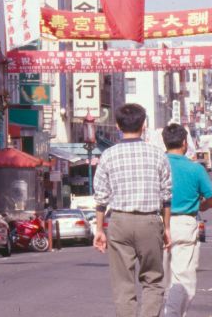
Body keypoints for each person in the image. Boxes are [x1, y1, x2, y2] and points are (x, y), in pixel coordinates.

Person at [93, 103, 173, 317]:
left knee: (123, 283)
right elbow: (166, 196)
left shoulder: (108, 155)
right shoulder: (157, 155)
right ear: (144, 124)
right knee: (153, 280)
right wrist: (166, 228)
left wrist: (99, 229)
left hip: (119, 221)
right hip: (150, 221)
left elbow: (101, 197)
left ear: (118, 126)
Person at [162, 123, 212, 317]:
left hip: (157, 223)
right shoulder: (195, 169)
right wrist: (202, 205)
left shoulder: (158, 164)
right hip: (184, 222)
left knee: (160, 279)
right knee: (182, 279)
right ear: (185, 143)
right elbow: (211, 199)